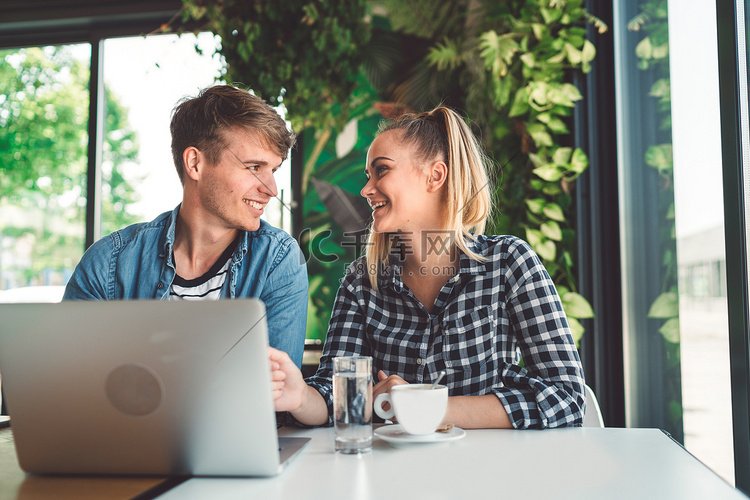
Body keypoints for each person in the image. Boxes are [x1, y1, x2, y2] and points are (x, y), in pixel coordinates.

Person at [269, 106, 585, 428]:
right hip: (394, 473)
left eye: (382, 171)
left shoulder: (509, 263)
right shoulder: (360, 282)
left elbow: (566, 397)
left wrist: (427, 407)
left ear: (434, 176)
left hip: (490, 472)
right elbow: (338, 397)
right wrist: (300, 396)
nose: (366, 190)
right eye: (368, 176)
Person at [64, 85, 308, 368]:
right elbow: (67, 383)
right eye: (254, 167)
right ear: (195, 163)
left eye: (273, 170)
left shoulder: (279, 260)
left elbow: (274, 398)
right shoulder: (108, 262)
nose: (272, 189)